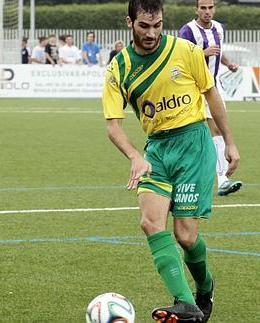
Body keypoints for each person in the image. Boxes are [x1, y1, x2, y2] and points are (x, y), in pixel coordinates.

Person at [103, 0, 240, 322]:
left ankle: (204, 287)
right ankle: (186, 303)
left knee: (186, 236)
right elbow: (113, 125)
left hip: (193, 144)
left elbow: (211, 94)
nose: (151, 33)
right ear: (129, 23)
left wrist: (230, 143)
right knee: (150, 223)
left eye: (157, 25)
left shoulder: (186, 51)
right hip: (156, 150)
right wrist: (135, 156)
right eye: (144, 26)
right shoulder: (118, 68)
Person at [178, 0, 243, 197]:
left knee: (217, 130)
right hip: (193, 88)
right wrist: (202, 53)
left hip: (213, 88)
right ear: (196, 9)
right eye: (203, 8)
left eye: (210, 7)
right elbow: (180, 58)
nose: (207, 11)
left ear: (215, 8)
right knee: (199, 132)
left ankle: (222, 178)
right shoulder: (187, 31)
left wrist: (229, 63)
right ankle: (219, 177)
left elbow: (218, 52)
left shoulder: (219, 29)